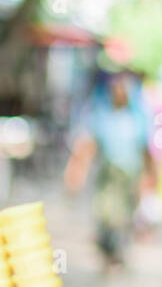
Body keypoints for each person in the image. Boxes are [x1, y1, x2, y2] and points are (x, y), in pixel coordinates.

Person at [64, 69, 154, 267]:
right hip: (108, 175)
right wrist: (76, 175)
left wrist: (149, 179)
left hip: (129, 175)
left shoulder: (138, 118)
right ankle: (107, 252)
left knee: (123, 217)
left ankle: (117, 254)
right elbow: (87, 148)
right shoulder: (101, 116)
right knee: (105, 215)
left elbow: (146, 151)